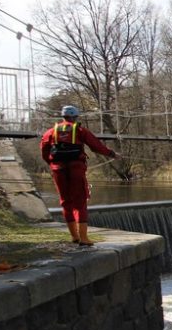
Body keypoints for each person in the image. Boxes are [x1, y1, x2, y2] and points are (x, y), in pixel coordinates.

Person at [40, 105, 117, 246]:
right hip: (76, 169)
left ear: (63, 117)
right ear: (75, 117)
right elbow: (96, 146)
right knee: (80, 202)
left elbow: (44, 150)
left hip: (58, 170)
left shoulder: (50, 132)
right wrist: (111, 154)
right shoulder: (80, 130)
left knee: (65, 202)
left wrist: (51, 164)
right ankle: (84, 238)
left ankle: (74, 236)